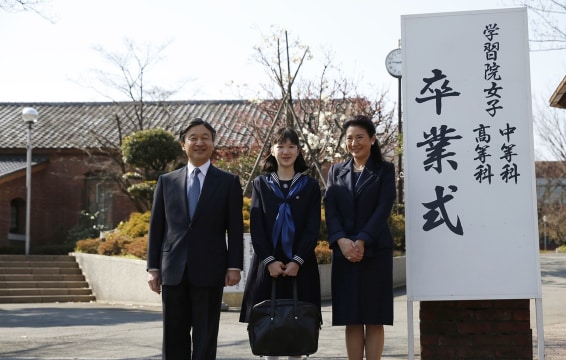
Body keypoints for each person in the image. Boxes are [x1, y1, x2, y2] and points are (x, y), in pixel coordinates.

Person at [146, 118, 244, 359]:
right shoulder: (166, 181)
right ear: (183, 144)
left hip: (211, 269)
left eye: (205, 138)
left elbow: (235, 227)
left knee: (206, 335)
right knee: (173, 335)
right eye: (193, 138)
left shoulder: (228, 182)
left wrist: (234, 266)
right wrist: (153, 268)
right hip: (173, 270)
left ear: (213, 144)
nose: (199, 142)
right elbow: (157, 228)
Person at [239, 127, 322, 360]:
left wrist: (297, 260)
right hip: (268, 266)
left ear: (298, 151)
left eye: (291, 146)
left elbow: (312, 227)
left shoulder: (310, 185)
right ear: (272, 150)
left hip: (301, 265)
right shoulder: (261, 184)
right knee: (268, 328)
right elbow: (257, 226)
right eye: (281, 146)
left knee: (299, 329)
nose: (286, 151)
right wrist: (270, 260)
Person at [323, 115, 396, 360]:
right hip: (344, 254)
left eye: (360, 137)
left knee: (374, 318)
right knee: (351, 319)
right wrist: (341, 241)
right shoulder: (335, 171)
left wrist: (362, 239)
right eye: (349, 138)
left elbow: (383, 208)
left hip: (375, 251)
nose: (354, 143)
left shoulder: (385, 170)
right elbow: (330, 209)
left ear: (372, 139)